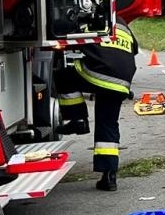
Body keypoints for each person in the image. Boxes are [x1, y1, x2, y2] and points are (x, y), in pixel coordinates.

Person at [54, 17, 139, 191]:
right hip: (122, 81)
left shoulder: (87, 16)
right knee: (108, 123)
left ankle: (78, 120)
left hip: (99, 73)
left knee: (63, 75)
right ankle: (109, 176)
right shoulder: (121, 22)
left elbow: (59, 29)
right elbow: (134, 49)